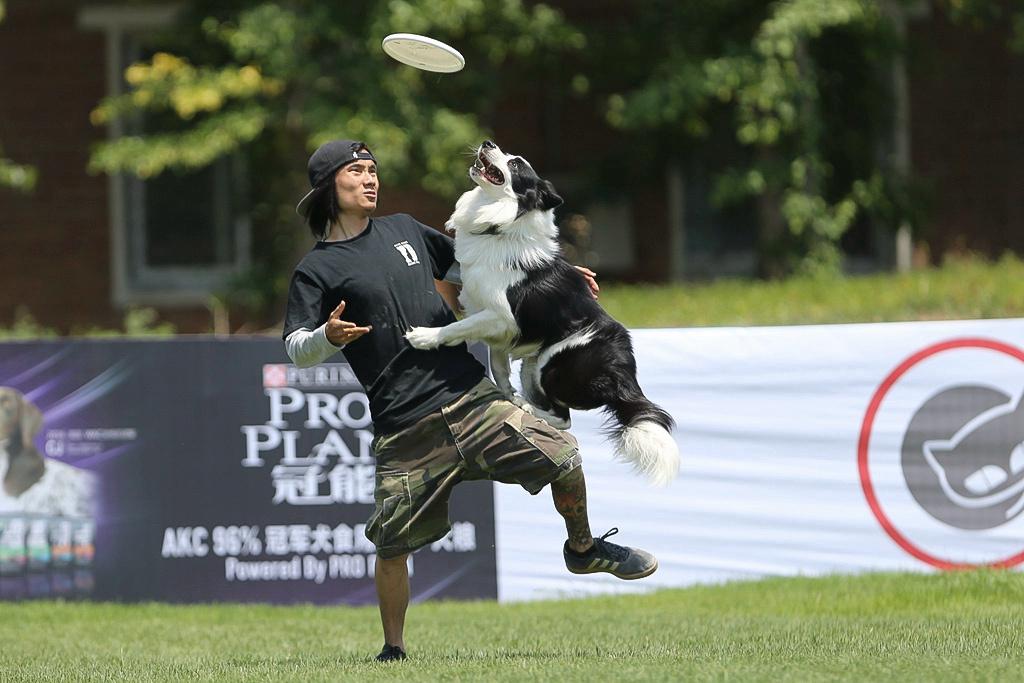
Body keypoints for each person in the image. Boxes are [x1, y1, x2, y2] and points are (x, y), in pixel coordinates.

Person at [283, 140, 658, 663]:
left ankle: (584, 548)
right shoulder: (316, 270)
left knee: (564, 457)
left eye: (373, 171)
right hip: (404, 427)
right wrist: (327, 335)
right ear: (328, 188)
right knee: (392, 547)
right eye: (357, 172)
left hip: (472, 400)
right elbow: (296, 350)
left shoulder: (405, 229)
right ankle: (393, 651)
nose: (370, 180)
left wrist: (557, 280)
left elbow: (478, 272)